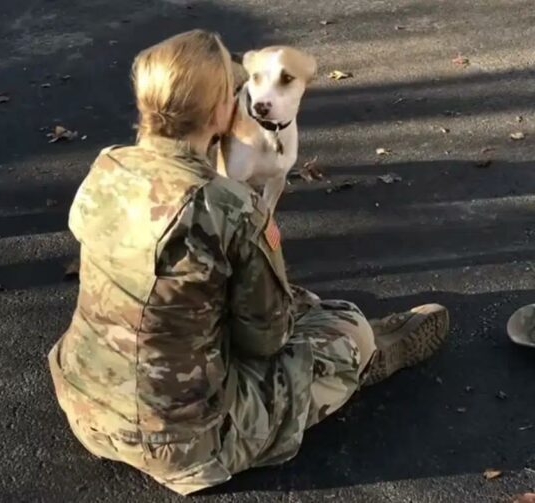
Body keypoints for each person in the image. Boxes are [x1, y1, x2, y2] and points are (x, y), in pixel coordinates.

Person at [48, 29, 450, 496]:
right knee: (346, 327)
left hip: (85, 404)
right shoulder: (232, 207)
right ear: (223, 110)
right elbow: (266, 340)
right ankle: (362, 362)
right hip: (189, 442)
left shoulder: (106, 167)